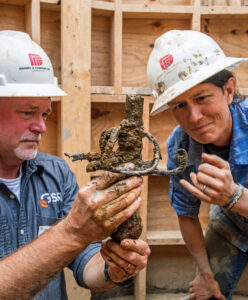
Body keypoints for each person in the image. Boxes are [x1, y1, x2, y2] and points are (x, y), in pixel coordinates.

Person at [0, 30, 150, 299]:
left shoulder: (56, 174)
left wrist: (112, 268)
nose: (41, 126)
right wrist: (72, 232)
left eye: (45, 113)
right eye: (27, 112)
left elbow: (84, 260)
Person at [147, 29, 248, 300]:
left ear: (228, 90)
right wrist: (205, 274)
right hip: (232, 224)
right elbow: (187, 214)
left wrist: (234, 196)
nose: (194, 117)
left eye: (202, 98)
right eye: (180, 105)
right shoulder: (180, 146)